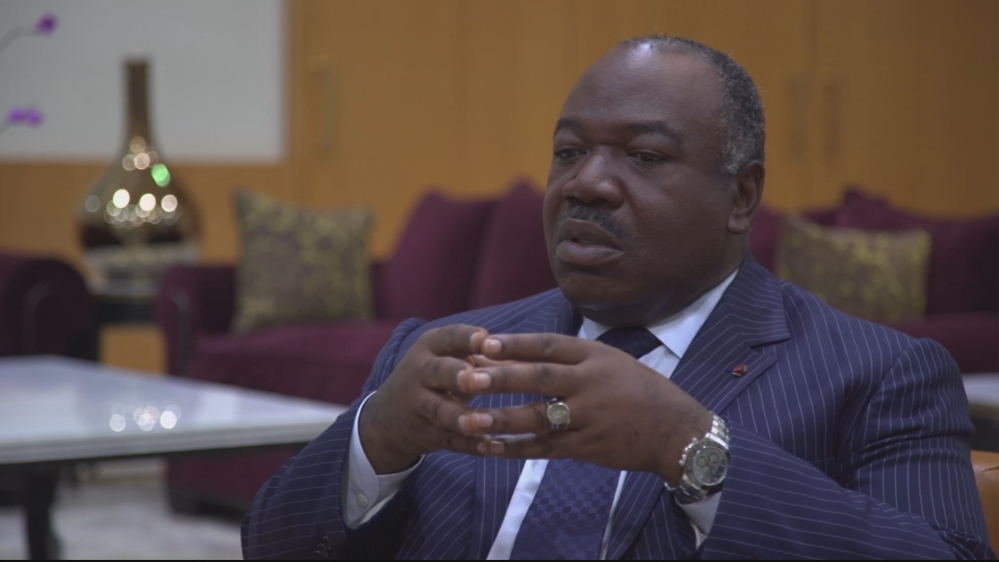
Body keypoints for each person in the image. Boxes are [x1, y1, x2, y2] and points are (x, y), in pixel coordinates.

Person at [242, 35, 994, 560]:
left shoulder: (879, 374)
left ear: (740, 197)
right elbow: (272, 547)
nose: (587, 183)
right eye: (568, 152)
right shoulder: (446, 355)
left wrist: (687, 445)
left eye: (643, 155)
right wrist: (377, 437)